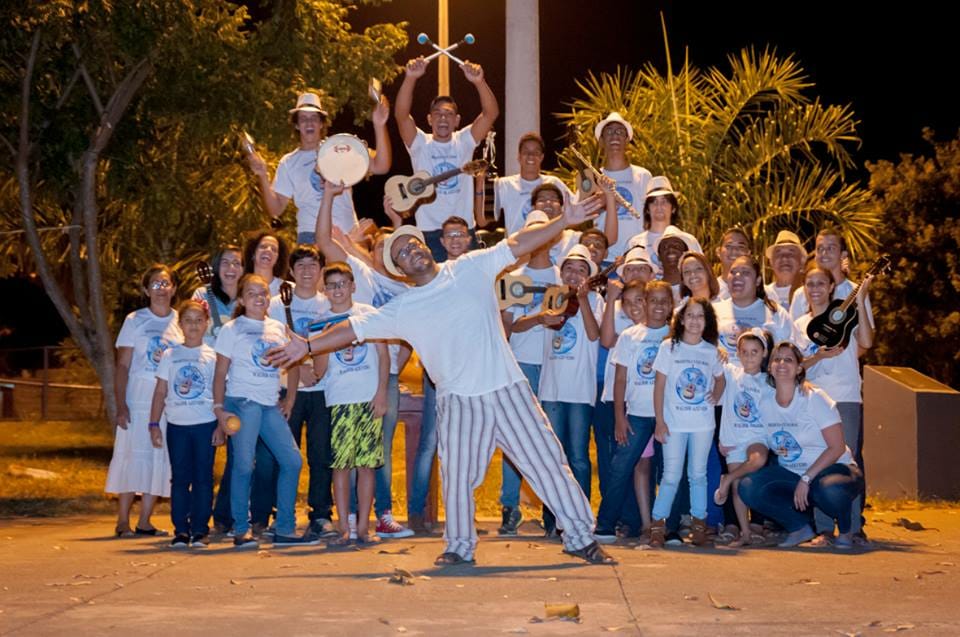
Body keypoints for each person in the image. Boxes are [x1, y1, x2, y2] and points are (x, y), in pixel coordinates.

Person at [266, 192, 616, 565]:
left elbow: (517, 244)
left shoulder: (469, 266)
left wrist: (565, 219)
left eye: (413, 243)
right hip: (458, 401)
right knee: (458, 477)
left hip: (507, 388)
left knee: (547, 462)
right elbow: (354, 328)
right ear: (399, 268)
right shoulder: (402, 308)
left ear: (425, 246)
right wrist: (307, 346)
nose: (410, 251)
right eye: (401, 252)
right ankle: (459, 547)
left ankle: (580, 537)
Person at [316, 183, 415, 539]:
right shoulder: (364, 278)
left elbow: (410, 338)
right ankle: (352, 521)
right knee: (348, 457)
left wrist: (394, 369)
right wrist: (328, 195)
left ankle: (381, 516)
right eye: (381, 247)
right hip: (352, 379)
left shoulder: (409, 289)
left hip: (380, 379)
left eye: (395, 250)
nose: (388, 254)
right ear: (369, 253)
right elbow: (325, 241)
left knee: (377, 454)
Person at [213, 274, 313, 548]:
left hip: (269, 404)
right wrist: (219, 410)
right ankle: (241, 530)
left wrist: (290, 399)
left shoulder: (278, 327)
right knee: (245, 465)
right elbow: (220, 372)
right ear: (243, 299)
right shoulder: (232, 329)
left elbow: (293, 361)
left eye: (263, 293)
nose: (259, 297)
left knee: (292, 461)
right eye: (253, 293)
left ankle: (284, 529)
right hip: (242, 402)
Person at [738, 341, 864, 549]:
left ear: (799, 368)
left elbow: (837, 447)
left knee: (828, 490)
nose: (781, 363)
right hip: (794, 475)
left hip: (835, 470)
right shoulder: (765, 403)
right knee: (748, 487)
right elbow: (758, 440)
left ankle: (845, 530)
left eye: (788, 359)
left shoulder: (814, 398)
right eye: (776, 359)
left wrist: (807, 478)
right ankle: (799, 528)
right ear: (769, 367)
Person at [250, 244, 337, 541]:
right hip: (286, 389)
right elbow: (269, 345)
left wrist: (319, 370)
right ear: (290, 271)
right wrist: (297, 370)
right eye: (300, 266)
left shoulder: (329, 304)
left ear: (321, 271)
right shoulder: (275, 304)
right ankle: (279, 512)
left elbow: (333, 343)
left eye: (313, 265)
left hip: (323, 389)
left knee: (321, 453)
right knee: (283, 454)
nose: (307, 271)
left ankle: (321, 514)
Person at [795, 264, 874, 545]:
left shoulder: (849, 314)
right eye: (810, 283)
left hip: (846, 396)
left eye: (820, 283)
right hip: (814, 399)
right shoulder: (800, 324)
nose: (815, 289)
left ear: (831, 287)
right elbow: (794, 365)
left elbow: (866, 340)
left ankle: (851, 529)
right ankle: (824, 529)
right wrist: (820, 357)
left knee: (847, 461)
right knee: (818, 459)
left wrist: (862, 298)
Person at [312, 262, 390, 546]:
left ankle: (365, 527)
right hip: (340, 400)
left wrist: (381, 392)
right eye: (331, 285)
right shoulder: (320, 322)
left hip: (368, 399)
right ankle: (344, 527)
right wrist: (324, 341)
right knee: (342, 466)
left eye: (342, 284)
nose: (337, 290)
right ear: (325, 290)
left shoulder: (368, 315)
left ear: (352, 286)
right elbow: (319, 370)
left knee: (367, 466)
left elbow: (383, 356)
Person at [248, 92, 392, 242]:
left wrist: (380, 125)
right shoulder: (288, 162)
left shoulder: (342, 147)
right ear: (296, 125)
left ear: (322, 123)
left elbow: (381, 166)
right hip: (311, 237)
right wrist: (262, 176)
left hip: (349, 235)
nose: (309, 123)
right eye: (303, 119)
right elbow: (275, 209)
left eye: (314, 118)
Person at [395, 56, 498, 260]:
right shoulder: (420, 144)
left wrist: (479, 82)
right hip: (429, 232)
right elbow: (401, 114)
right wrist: (410, 78)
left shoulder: (465, 141)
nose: (443, 118)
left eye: (449, 114)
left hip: (463, 231)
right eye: (438, 114)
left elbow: (490, 113)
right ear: (429, 119)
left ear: (457, 120)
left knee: (471, 288)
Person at [106, 265, 183, 538]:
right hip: (138, 397)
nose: (161, 289)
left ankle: (145, 521)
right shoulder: (135, 320)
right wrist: (121, 404)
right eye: (155, 284)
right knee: (132, 456)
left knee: (159, 457)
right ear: (146, 290)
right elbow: (123, 365)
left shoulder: (180, 320)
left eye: (166, 284)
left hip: (168, 400)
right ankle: (123, 521)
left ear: (174, 288)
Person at [594, 280, 674, 543]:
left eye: (665, 301)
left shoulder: (675, 336)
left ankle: (670, 527)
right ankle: (606, 524)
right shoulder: (630, 336)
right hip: (637, 414)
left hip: (670, 415)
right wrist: (620, 416)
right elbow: (619, 380)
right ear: (644, 302)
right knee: (622, 467)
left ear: (671, 305)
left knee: (671, 471)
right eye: (653, 300)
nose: (659, 306)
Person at [497, 210, 560, 535]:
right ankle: (510, 506)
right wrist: (536, 319)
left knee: (550, 441)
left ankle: (554, 510)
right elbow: (506, 328)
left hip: (555, 368)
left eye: (544, 232)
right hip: (520, 365)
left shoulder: (563, 275)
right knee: (515, 439)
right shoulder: (512, 278)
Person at [536, 244, 602, 536]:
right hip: (551, 389)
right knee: (553, 457)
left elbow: (593, 334)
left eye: (581, 269)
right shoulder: (552, 297)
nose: (574, 274)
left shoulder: (596, 300)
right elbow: (537, 327)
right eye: (569, 268)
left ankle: (581, 517)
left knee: (577, 456)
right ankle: (552, 519)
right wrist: (546, 314)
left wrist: (584, 300)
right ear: (560, 272)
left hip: (579, 391)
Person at [648, 297, 725, 548]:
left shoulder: (711, 351)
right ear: (681, 319)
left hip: (702, 423)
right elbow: (659, 387)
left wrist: (717, 393)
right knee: (670, 476)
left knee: (698, 475)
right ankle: (658, 526)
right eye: (690, 315)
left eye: (700, 316)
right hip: (674, 423)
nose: (694, 321)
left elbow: (720, 379)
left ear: (707, 322)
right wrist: (660, 421)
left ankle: (699, 527)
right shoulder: (669, 347)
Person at [148, 300, 218, 548]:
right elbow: (160, 392)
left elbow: (221, 393)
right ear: (180, 325)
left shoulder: (213, 356)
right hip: (177, 426)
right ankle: (181, 530)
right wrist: (154, 424)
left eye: (199, 320)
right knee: (179, 478)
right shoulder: (170, 354)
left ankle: (200, 529)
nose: (193, 325)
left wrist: (221, 425)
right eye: (188, 320)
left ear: (206, 324)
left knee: (203, 478)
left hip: (205, 424)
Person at [713, 328, 773, 547]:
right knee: (739, 487)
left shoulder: (769, 380)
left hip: (757, 436)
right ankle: (745, 532)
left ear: (764, 353)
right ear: (737, 353)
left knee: (757, 460)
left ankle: (726, 480)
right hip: (734, 438)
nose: (749, 357)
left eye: (754, 352)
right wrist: (718, 349)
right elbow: (710, 356)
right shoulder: (730, 372)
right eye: (744, 352)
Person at [712, 256, 797, 368]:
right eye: (733, 272)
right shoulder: (713, 311)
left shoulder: (775, 313)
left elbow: (790, 355)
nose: (737, 276)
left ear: (757, 281)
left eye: (745, 272)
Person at [591, 112, 652, 259]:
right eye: (609, 132)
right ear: (601, 141)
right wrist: (601, 202)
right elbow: (584, 215)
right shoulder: (592, 177)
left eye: (620, 132)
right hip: (605, 259)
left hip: (636, 258)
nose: (615, 136)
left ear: (627, 140)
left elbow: (651, 217)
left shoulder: (643, 175)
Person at [495, 132, 572, 235]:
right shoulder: (504, 184)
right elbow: (482, 221)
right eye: (526, 152)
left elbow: (575, 213)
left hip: (550, 247)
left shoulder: (553, 182)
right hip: (517, 248)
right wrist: (479, 184)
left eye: (536, 153)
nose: (531, 156)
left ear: (541, 157)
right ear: (519, 156)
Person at [628, 176, 703, 269]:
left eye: (664, 202)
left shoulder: (688, 240)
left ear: (673, 208)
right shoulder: (635, 242)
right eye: (654, 202)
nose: (659, 206)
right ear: (647, 209)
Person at [192, 244, 243, 346]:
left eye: (236, 263)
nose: (231, 267)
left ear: (243, 269)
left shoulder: (248, 298)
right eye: (225, 263)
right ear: (216, 266)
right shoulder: (202, 295)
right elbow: (192, 329)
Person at [764, 230, 807, 311]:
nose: (784, 258)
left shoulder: (811, 293)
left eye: (791, 253)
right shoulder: (762, 294)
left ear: (802, 260)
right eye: (778, 253)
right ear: (771, 262)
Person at [243, 231, 290, 297]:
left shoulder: (288, 289)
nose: (268, 250)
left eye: (274, 249)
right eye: (263, 247)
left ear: (278, 259)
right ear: (253, 253)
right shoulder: (240, 287)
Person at [714, 227, 752, 300]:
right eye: (728, 246)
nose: (734, 250)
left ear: (748, 253)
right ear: (718, 252)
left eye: (741, 247)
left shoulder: (760, 291)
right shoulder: (710, 290)